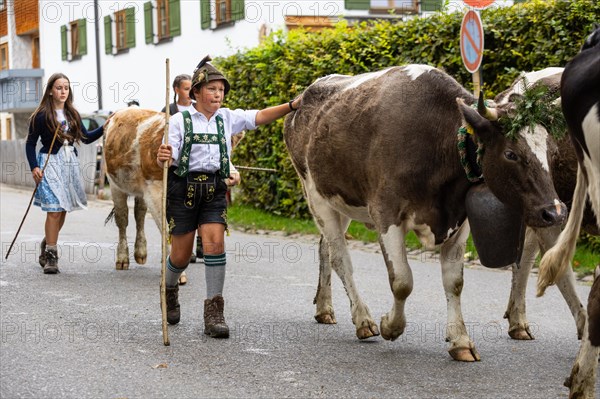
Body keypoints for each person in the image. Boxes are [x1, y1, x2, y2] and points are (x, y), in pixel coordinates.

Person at [156, 56, 301, 338]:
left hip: (213, 190)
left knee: (215, 244)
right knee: (181, 256)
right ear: (196, 92)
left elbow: (259, 116)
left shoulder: (228, 118)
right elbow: (165, 158)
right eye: (212, 89)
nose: (218, 94)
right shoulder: (177, 121)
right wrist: (162, 156)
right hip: (182, 189)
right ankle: (169, 288)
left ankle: (214, 311)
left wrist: (292, 106)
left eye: (221, 90)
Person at [26, 72, 107, 274]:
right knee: (54, 209)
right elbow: (30, 143)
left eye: (66, 88)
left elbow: (86, 138)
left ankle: (48, 241)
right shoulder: (41, 115)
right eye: (59, 87)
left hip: (69, 163)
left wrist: (105, 127)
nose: (63, 91)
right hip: (50, 163)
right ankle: (52, 258)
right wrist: (34, 166)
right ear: (51, 91)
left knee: (62, 210)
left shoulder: (73, 114)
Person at [161, 74, 205, 268]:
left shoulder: (199, 109)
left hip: (200, 167)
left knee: (205, 207)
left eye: (191, 88)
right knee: (183, 213)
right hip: (180, 170)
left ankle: (201, 243)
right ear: (177, 90)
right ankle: (183, 252)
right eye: (185, 88)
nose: (189, 93)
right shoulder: (169, 112)